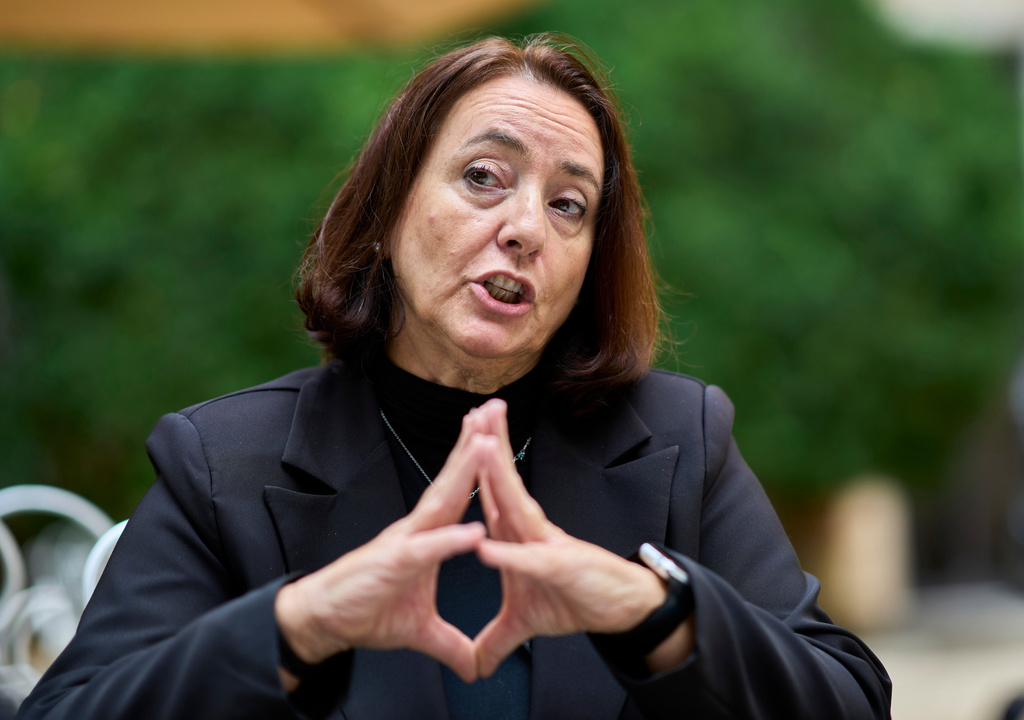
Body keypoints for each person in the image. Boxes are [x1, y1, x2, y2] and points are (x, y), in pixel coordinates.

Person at [16, 34, 892, 720]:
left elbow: (850, 700)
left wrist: (647, 606)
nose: (524, 228)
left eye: (569, 205)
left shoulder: (677, 442)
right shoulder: (223, 463)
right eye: (483, 177)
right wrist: (300, 625)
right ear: (390, 209)